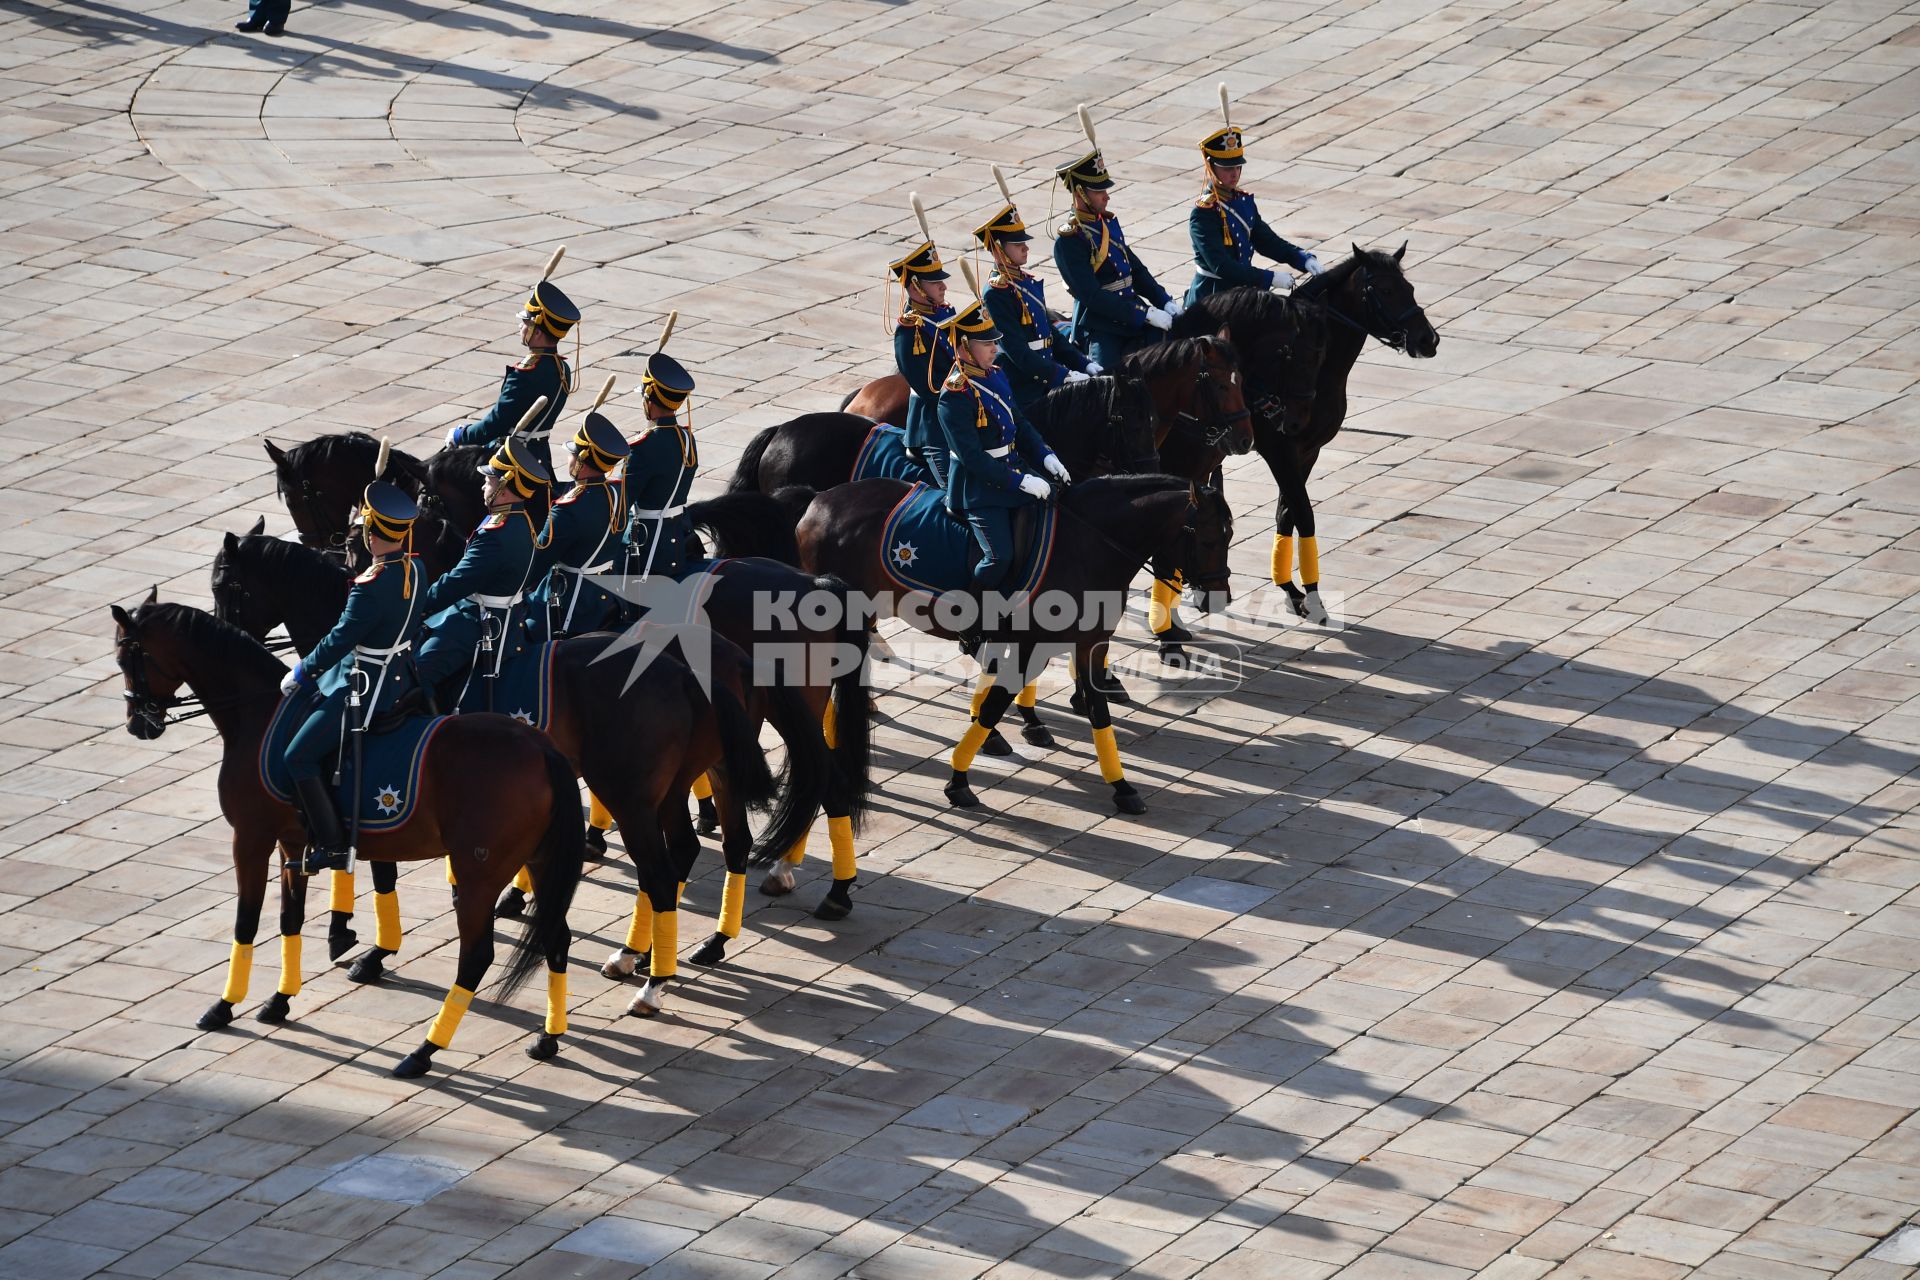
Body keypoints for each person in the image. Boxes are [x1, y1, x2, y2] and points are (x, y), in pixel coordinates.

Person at [279, 483, 424, 874]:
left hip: (368, 687)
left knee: (299, 756)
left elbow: (340, 639)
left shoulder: (370, 588)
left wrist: (304, 669)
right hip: (403, 676)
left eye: (364, 529)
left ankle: (332, 845)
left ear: (373, 534)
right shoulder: (415, 568)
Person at [937, 300, 1070, 653]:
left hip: (1013, 467)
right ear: (965, 347)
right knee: (999, 557)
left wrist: (1046, 455)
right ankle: (969, 622)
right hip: (979, 489)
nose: (996, 348)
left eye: (995, 342)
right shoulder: (954, 397)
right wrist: (1022, 482)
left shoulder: (995, 375)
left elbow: (1020, 423)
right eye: (988, 343)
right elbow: (972, 460)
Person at [414, 437, 549, 705]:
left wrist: (418, 604)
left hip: (480, 622)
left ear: (505, 489)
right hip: (504, 614)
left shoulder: (496, 534)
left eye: (490, 481)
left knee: (418, 673)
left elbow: (458, 582)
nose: (483, 486)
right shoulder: (520, 519)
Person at [1052, 147, 1177, 370]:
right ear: (1080, 193)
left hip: (1133, 313)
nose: (1106, 196)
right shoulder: (1069, 241)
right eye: (1099, 191)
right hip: (1102, 324)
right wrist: (1144, 313)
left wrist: (1163, 301)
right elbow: (1092, 296)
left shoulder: (1106, 223)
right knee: (1107, 385)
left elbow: (1135, 270)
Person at [976, 201, 1095, 420]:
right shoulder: (996, 293)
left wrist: (1083, 363)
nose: (1025, 247)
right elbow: (1017, 352)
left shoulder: (1025, 282)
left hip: (1047, 373)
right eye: (1017, 243)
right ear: (999, 248)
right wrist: (1062, 375)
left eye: (1024, 242)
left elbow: (1050, 335)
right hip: (1023, 387)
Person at [446, 280, 577, 476]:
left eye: (526, 323)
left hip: (512, 460)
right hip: (540, 454)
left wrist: (461, 434)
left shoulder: (525, 374)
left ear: (538, 332)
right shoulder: (562, 368)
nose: (520, 327)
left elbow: (492, 427)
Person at [1186, 123, 1322, 305]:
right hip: (1213, 298)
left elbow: (1266, 240)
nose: (1234, 174)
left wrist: (1300, 258)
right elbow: (1221, 266)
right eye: (1227, 168)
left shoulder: (1243, 202)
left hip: (1241, 292)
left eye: (1237, 167)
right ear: (1211, 167)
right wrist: (1269, 277)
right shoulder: (1204, 215)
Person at [526, 412, 629, 642]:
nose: (569, 460)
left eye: (572, 454)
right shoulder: (617, 491)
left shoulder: (567, 509)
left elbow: (537, 562)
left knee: (521, 634)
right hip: (608, 593)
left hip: (573, 602)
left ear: (581, 460)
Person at [621, 351, 698, 583]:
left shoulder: (643, 446)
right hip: (680, 531)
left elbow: (621, 504)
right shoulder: (686, 438)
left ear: (648, 400)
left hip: (648, 542)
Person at [890, 241, 957, 489]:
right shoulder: (910, 331)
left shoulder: (943, 312)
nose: (944, 286)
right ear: (916, 285)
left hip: (959, 413)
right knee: (959, 497)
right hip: (932, 429)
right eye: (935, 281)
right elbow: (929, 389)